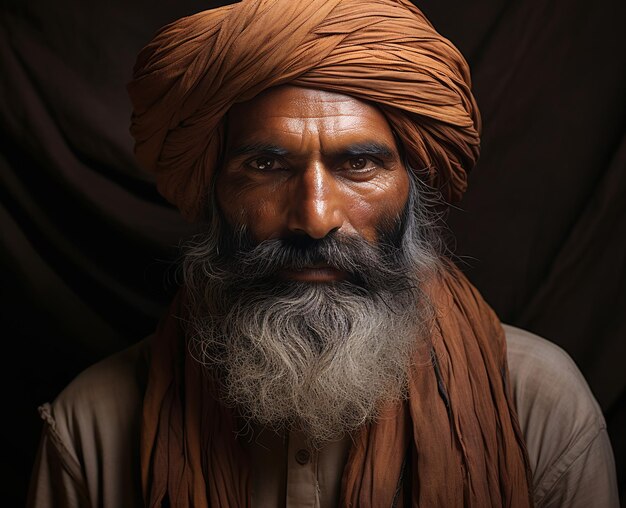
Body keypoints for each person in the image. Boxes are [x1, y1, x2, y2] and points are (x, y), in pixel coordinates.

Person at [27, 0, 618, 506]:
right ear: (213, 192)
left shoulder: (539, 408)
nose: (314, 218)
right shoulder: (94, 427)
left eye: (358, 165)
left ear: (413, 189)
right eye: (265, 165)